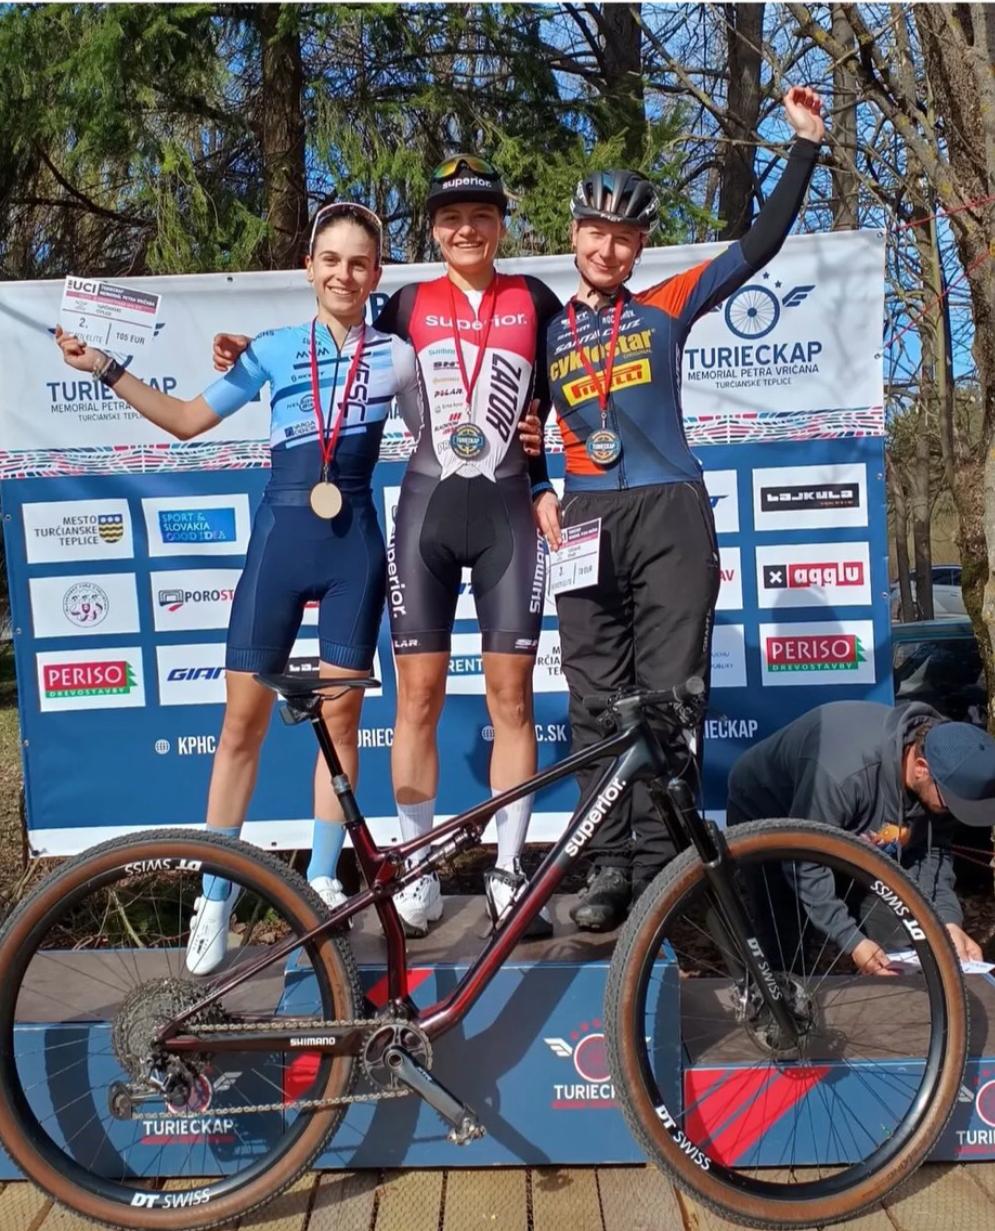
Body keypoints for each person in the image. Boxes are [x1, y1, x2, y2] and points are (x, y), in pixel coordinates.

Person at [56, 202, 421, 973]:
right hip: (279, 545)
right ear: (308, 267)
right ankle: (214, 897)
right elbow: (187, 419)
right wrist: (106, 368)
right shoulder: (273, 351)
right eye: (330, 259)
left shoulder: (398, 358)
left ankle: (322, 878)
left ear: (376, 274)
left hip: (353, 546)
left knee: (341, 723)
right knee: (239, 727)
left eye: (358, 262)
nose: (343, 274)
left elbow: (440, 438)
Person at [217, 158, 563, 939]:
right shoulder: (402, 305)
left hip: (507, 513)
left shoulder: (535, 299)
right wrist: (249, 351)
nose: (466, 229)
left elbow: (560, 395)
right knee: (418, 698)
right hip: (425, 514)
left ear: (500, 224)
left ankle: (509, 868)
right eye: (451, 217)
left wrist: (545, 472)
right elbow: (332, 345)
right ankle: (418, 866)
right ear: (433, 231)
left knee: (511, 697)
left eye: (481, 215)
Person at [523, 87, 827, 931]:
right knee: (593, 699)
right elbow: (518, 425)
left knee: (665, 700)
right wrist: (540, 487)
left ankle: (660, 871)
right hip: (584, 517)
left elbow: (758, 245)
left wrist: (803, 144)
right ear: (574, 234)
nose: (607, 247)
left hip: (669, 515)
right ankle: (607, 867)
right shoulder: (543, 328)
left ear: (639, 246)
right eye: (595, 231)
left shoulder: (667, 303)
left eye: (623, 237)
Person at [726, 700, 993, 973]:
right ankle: (780, 991)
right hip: (769, 806)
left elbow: (933, 851)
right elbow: (802, 863)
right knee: (784, 939)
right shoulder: (843, 775)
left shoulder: (948, 774)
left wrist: (946, 922)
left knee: (903, 933)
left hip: (854, 822)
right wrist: (852, 940)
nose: (953, 810)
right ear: (921, 767)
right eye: (951, 803)